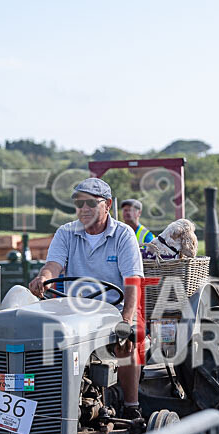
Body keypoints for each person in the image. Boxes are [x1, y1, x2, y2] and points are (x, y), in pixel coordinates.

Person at [28, 177, 144, 420]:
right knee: (43, 339)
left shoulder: (123, 235)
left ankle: (132, 406)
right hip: (75, 311)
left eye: (91, 203)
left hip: (114, 308)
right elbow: (53, 265)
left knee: (126, 341)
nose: (84, 209)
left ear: (108, 205)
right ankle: (47, 400)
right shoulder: (66, 233)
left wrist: (126, 319)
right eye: (79, 204)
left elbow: (133, 281)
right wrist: (43, 277)